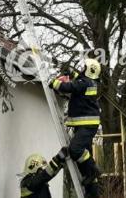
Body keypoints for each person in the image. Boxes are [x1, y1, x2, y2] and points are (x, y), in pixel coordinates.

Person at [49, 58, 103, 198]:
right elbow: (78, 82)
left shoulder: (85, 83)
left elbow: (70, 87)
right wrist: (71, 72)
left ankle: (93, 170)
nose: (83, 68)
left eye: (85, 67)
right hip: (85, 124)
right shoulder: (89, 82)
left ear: (89, 70)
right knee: (84, 155)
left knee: (75, 150)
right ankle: (92, 192)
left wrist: (53, 82)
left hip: (87, 125)